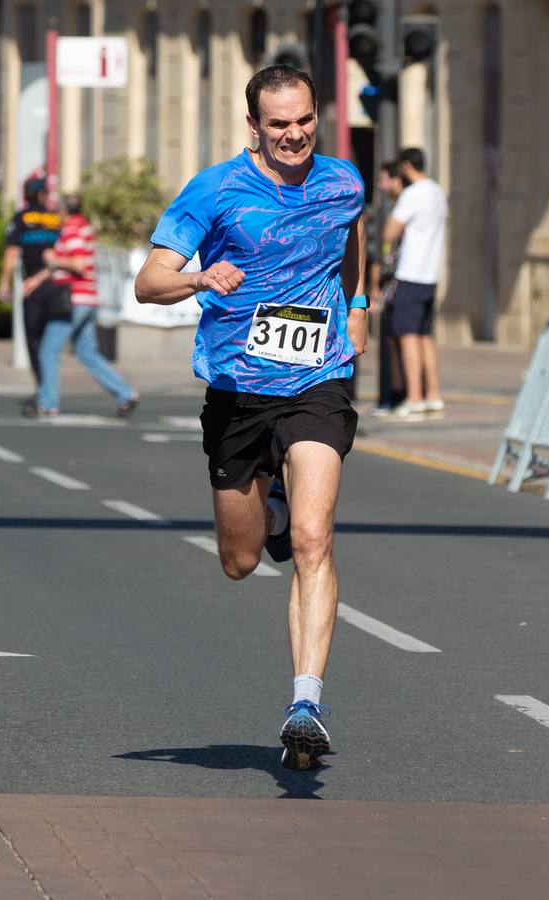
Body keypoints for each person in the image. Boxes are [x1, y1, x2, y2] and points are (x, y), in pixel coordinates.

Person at [134, 65, 368, 771]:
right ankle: (265, 501)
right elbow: (148, 282)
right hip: (239, 391)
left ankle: (306, 703)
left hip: (317, 381)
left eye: (304, 121)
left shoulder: (344, 182)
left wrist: (354, 312)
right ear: (254, 127)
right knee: (240, 561)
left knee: (314, 537)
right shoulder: (216, 190)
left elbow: (351, 245)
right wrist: (199, 277)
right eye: (278, 125)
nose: (294, 135)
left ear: (316, 115)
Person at [36, 194, 140, 417]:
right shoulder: (84, 226)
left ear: (64, 211)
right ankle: (126, 393)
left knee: (48, 351)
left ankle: (48, 403)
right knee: (87, 353)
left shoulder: (71, 229)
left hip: (73, 300)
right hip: (89, 298)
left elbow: (78, 264)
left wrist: (53, 259)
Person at [384, 147, 447, 420]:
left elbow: (389, 231)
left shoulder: (412, 194)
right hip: (431, 274)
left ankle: (414, 398)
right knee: (425, 337)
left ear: (407, 166)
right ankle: (433, 395)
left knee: (408, 337)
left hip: (410, 273)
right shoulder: (437, 192)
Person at [1, 175, 65, 401]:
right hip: (57, 283)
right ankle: (47, 390)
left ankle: (43, 388)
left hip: (32, 286)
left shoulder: (21, 217)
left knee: (34, 338)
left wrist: (4, 283)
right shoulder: (56, 219)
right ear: (43, 194)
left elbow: (11, 252)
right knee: (51, 340)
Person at [366, 162, 407, 418]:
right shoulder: (389, 206)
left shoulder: (403, 205)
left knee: (397, 342)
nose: (380, 186)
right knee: (390, 342)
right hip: (389, 280)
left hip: (399, 280)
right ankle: (391, 396)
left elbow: (388, 239)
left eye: (384, 180)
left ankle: (398, 395)